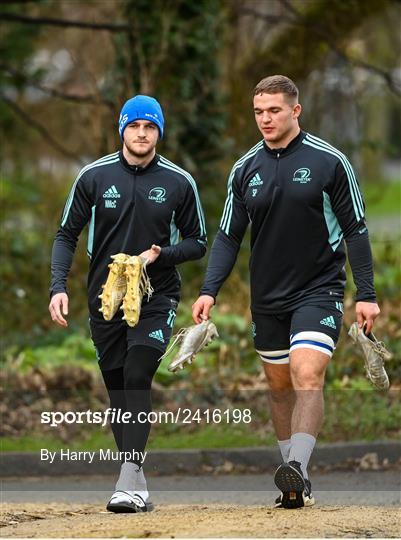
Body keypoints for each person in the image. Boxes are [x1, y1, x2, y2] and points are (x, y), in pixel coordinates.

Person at [192, 75, 380, 509]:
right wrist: (209, 291)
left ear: (295, 110)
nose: (265, 119)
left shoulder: (330, 162)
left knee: (307, 375)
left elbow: (356, 229)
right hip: (267, 297)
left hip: (319, 289)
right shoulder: (245, 169)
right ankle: (293, 481)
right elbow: (227, 236)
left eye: (274, 110)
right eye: (258, 111)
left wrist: (365, 293)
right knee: (279, 388)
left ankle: (297, 464)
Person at [49, 95, 207, 512]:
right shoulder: (93, 176)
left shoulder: (178, 181)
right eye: (135, 126)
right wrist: (57, 287)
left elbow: (198, 242)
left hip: (157, 295)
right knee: (119, 391)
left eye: (150, 127)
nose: (142, 133)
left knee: (138, 374)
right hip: (105, 299)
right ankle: (136, 482)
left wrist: (160, 254)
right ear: (123, 129)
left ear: (159, 133)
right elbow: (66, 235)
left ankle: (126, 480)